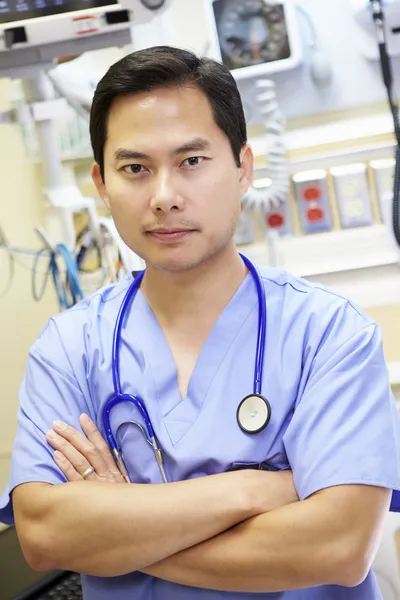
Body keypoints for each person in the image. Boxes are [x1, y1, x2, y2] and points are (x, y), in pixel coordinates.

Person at [1, 45, 400, 600]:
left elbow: (337, 548)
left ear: (243, 169)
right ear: (101, 183)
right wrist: (253, 491)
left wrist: (122, 526)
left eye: (191, 161)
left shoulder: (330, 336)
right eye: (135, 168)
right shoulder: (69, 347)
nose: (163, 196)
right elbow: (45, 536)